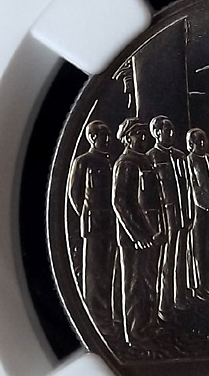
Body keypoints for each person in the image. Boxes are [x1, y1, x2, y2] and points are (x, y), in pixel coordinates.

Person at [111, 118, 162, 344]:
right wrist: (138, 235)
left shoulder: (144, 160)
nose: (143, 137)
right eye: (138, 134)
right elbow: (120, 202)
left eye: (144, 133)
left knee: (149, 280)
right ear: (127, 138)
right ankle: (134, 333)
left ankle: (148, 324)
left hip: (151, 232)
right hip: (135, 236)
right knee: (134, 284)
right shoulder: (125, 163)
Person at [66, 120, 115, 312]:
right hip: (93, 222)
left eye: (108, 136)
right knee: (94, 269)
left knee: (108, 267)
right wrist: (87, 213)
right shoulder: (83, 161)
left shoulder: (109, 161)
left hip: (109, 220)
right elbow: (74, 193)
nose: (107, 139)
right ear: (93, 138)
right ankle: (95, 310)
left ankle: (106, 310)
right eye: (104, 136)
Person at [147, 114, 192, 318]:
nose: (171, 134)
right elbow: (149, 194)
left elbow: (187, 186)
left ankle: (179, 298)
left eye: (172, 130)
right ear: (156, 133)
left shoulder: (180, 156)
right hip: (165, 216)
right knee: (166, 261)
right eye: (167, 130)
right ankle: (163, 306)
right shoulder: (151, 158)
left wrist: (189, 213)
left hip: (182, 213)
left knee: (181, 258)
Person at [185, 127, 209, 299]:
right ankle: (200, 285)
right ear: (190, 144)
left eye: (203, 139)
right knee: (199, 249)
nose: (201, 143)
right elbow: (195, 187)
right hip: (198, 211)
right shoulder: (189, 161)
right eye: (197, 141)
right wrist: (208, 205)